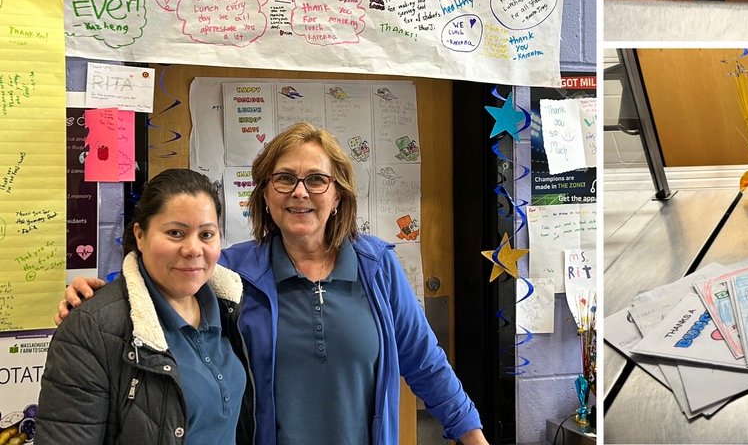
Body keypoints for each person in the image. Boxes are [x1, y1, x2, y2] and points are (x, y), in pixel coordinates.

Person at [60, 125, 489, 445]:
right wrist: (103, 294)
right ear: (265, 193)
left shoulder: (377, 267)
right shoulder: (231, 273)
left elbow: (425, 363)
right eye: (284, 179)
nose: (299, 192)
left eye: (316, 180)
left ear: (338, 194)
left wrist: (472, 435)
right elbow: (165, 281)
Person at [38, 169, 253, 445]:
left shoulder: (228, 309)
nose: (193, 249)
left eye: (207, 234)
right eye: (175, 233)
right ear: (140, 235)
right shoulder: (92, 329)